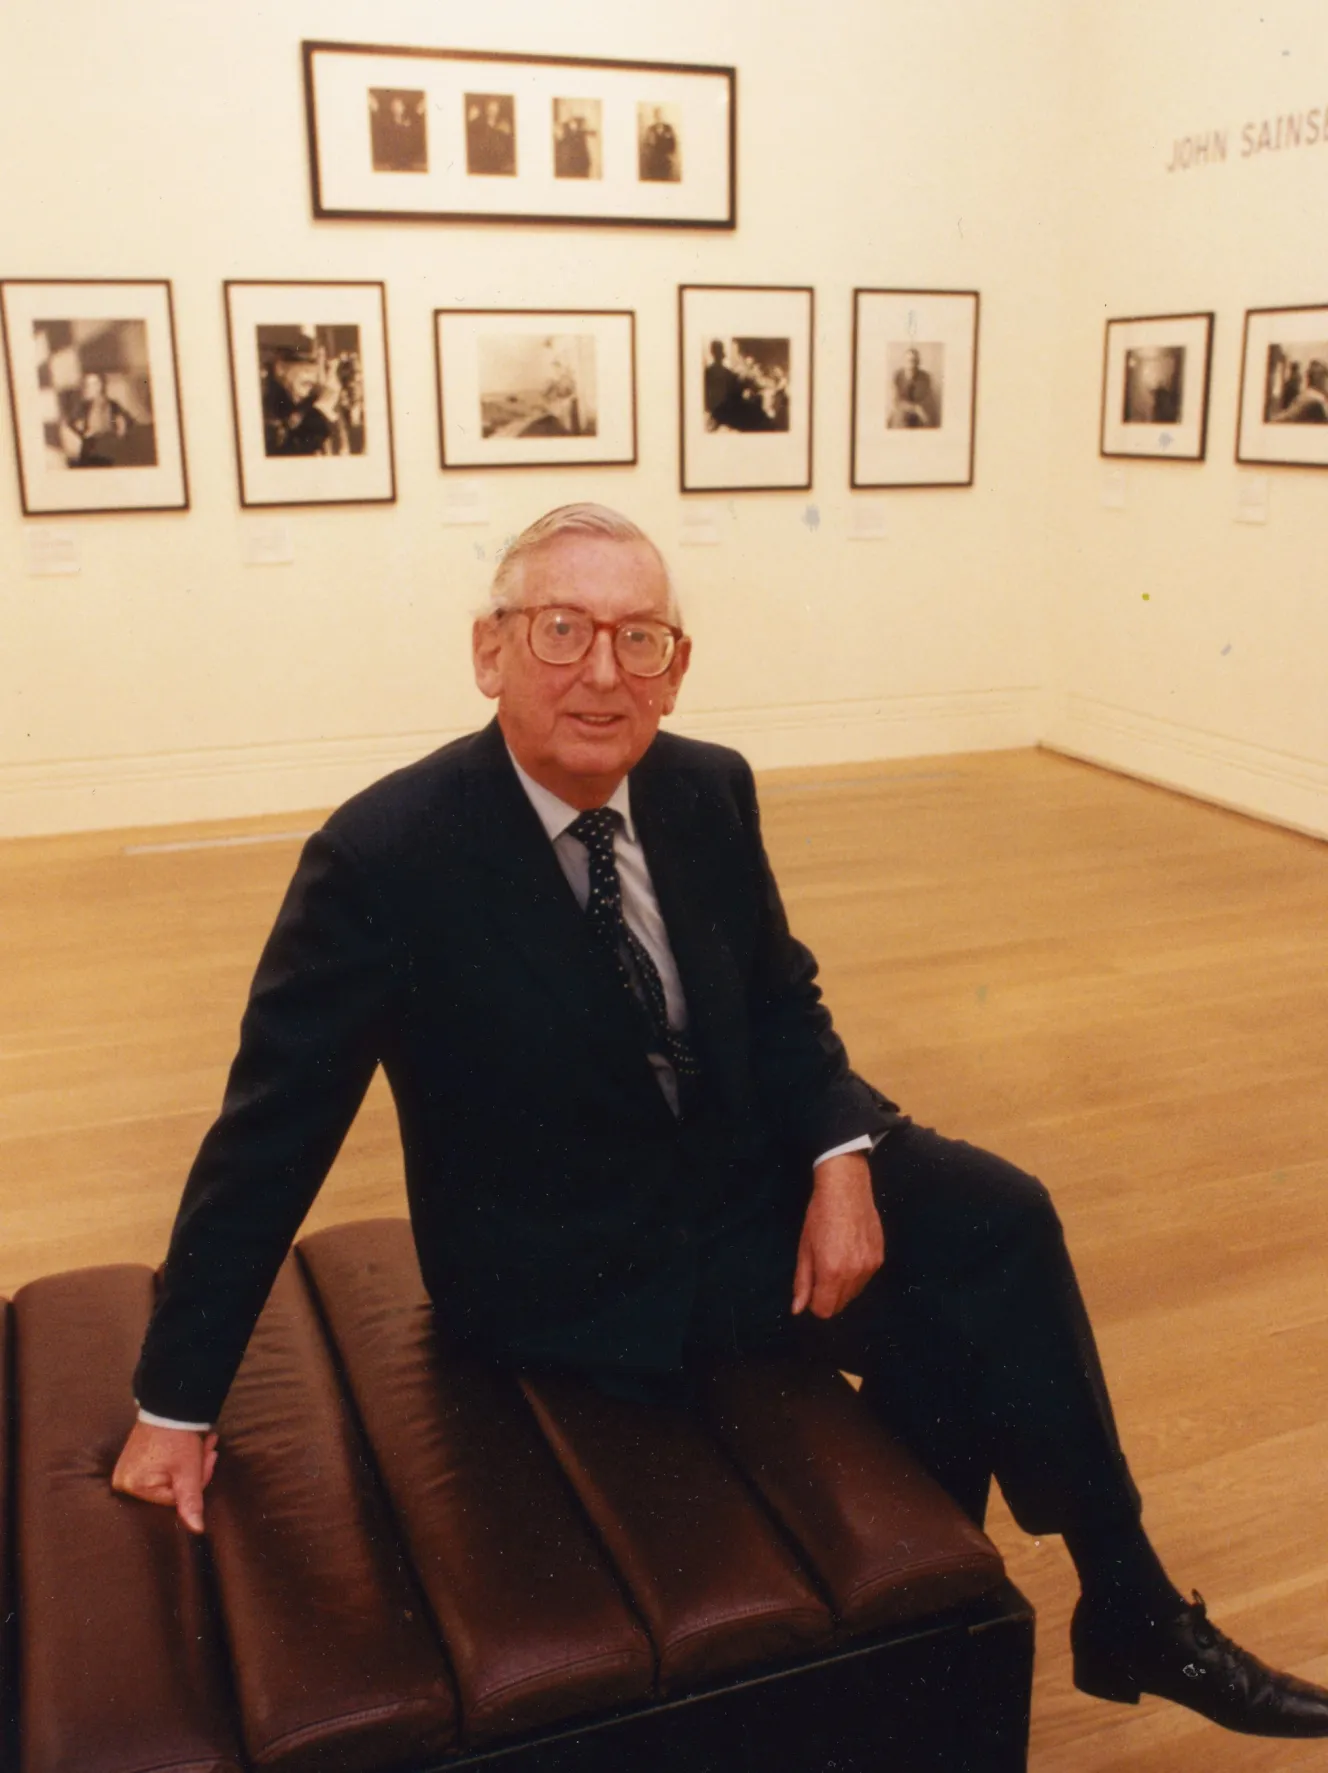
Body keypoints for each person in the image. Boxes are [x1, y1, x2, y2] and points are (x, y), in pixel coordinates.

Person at [113, 504, 1328, 1741]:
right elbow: (271, 1134)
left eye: (639, 640)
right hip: (565, 1259)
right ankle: (973, 1641)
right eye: (561, 630)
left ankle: (1096, 1609)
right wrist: (175, 1403)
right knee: (954, 1329)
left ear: (675, 668)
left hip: (730, 1177)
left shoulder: (705, 788)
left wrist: (838, 1156)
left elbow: (780, 994)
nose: (601, 672)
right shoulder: (385, 857)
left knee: (997, 1216)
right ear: (489, 652)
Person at [887, 347, 940, 429]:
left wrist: (918, 409)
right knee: (899, 418)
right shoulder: (897, 376)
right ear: (904, 362)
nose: (911, 365)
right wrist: (915, 408)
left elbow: (926, 402)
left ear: (919, 362)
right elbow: (896, 401)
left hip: (919, 416)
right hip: (902, 414)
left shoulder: (925, 378)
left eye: (914, 361)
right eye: (908, 361)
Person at [639, 107, 679, 182]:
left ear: (663, 116)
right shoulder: (650, 129)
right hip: (654, 161)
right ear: (655, 117)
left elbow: (673, 143)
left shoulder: (668, 128)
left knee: (666, 180)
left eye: (661, 115)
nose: (659, 117)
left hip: (666, 161)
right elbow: (646, 145)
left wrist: (671, 156)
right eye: (657, 115)